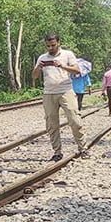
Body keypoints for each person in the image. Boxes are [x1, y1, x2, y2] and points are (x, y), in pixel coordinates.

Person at [32, 33, 87, 161]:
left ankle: (83, 148)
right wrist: (39, 67)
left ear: (58, 43)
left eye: (53, 45)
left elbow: (77, 71)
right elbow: (34, 76)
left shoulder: (67, 54)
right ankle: (57, 152)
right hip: (49, 93)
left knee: (75, 120)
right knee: (51, 123)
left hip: (66, 91)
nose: (50, 48)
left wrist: (61, 66)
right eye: (48, 46)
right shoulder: (42, 57)